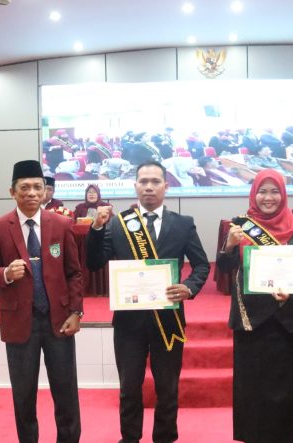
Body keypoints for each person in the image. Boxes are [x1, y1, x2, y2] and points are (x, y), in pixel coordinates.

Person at [86, 160, 210, 443]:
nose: (149, 187)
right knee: (129, 387)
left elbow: (202, 265)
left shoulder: (183, 224)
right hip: (129, 321)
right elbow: (94, 263)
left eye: (155, 182)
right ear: (135, 187)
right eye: (144, 182)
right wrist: (95, 229)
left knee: (167, 387)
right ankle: (129, 438)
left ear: (166, 186)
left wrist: (189, 288)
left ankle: (165, 437)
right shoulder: (118, 224)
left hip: (168, 319)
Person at [0, 160, 83, 443]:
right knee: (23, 395)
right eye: (24, 187)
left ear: (45, 191)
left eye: (38, 187)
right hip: (19, 323)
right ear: (11, 191)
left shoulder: (62, 225)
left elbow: (74, 272)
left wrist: (76, 312)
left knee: (66, 393)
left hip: (59, 322)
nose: (32, 193)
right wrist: (5, 274)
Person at [217, 169, 293, 443]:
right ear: (253, 193)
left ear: (283, 194)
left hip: (288, 319)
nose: (268, 198)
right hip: (251, 320)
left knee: (288, 386)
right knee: (252, 387)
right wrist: (229, 245)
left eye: (274, 192)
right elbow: (223, 269)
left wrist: (290, 294)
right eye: (263, 191)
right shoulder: (239, 225)